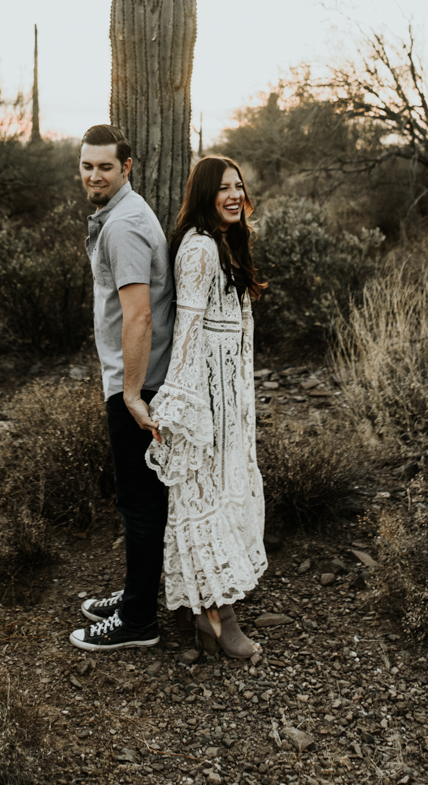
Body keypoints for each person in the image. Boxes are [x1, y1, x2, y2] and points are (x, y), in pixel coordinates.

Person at [145, 155, 267, 659]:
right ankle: (221, 619)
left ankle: (204, 618)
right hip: (204, 400)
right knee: (202, 501)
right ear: (203, 195)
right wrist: (180, 407)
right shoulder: (198, 250)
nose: (235, 195)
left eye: (239, 186)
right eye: (223, 188)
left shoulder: (223, 245)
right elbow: (188, 332)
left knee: (220, 496)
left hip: (227, 396)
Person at [69, 124, 175, 652]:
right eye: (87, 165)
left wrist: (132, 396)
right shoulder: (120, 215)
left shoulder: (124, 226)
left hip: (141, 385)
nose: (94, 175)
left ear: (126, 168)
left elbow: (138, 318)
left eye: (105, 166)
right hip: (139, 379)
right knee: (141, 501)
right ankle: (136, 595)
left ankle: (137, 621)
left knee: (139, 504)